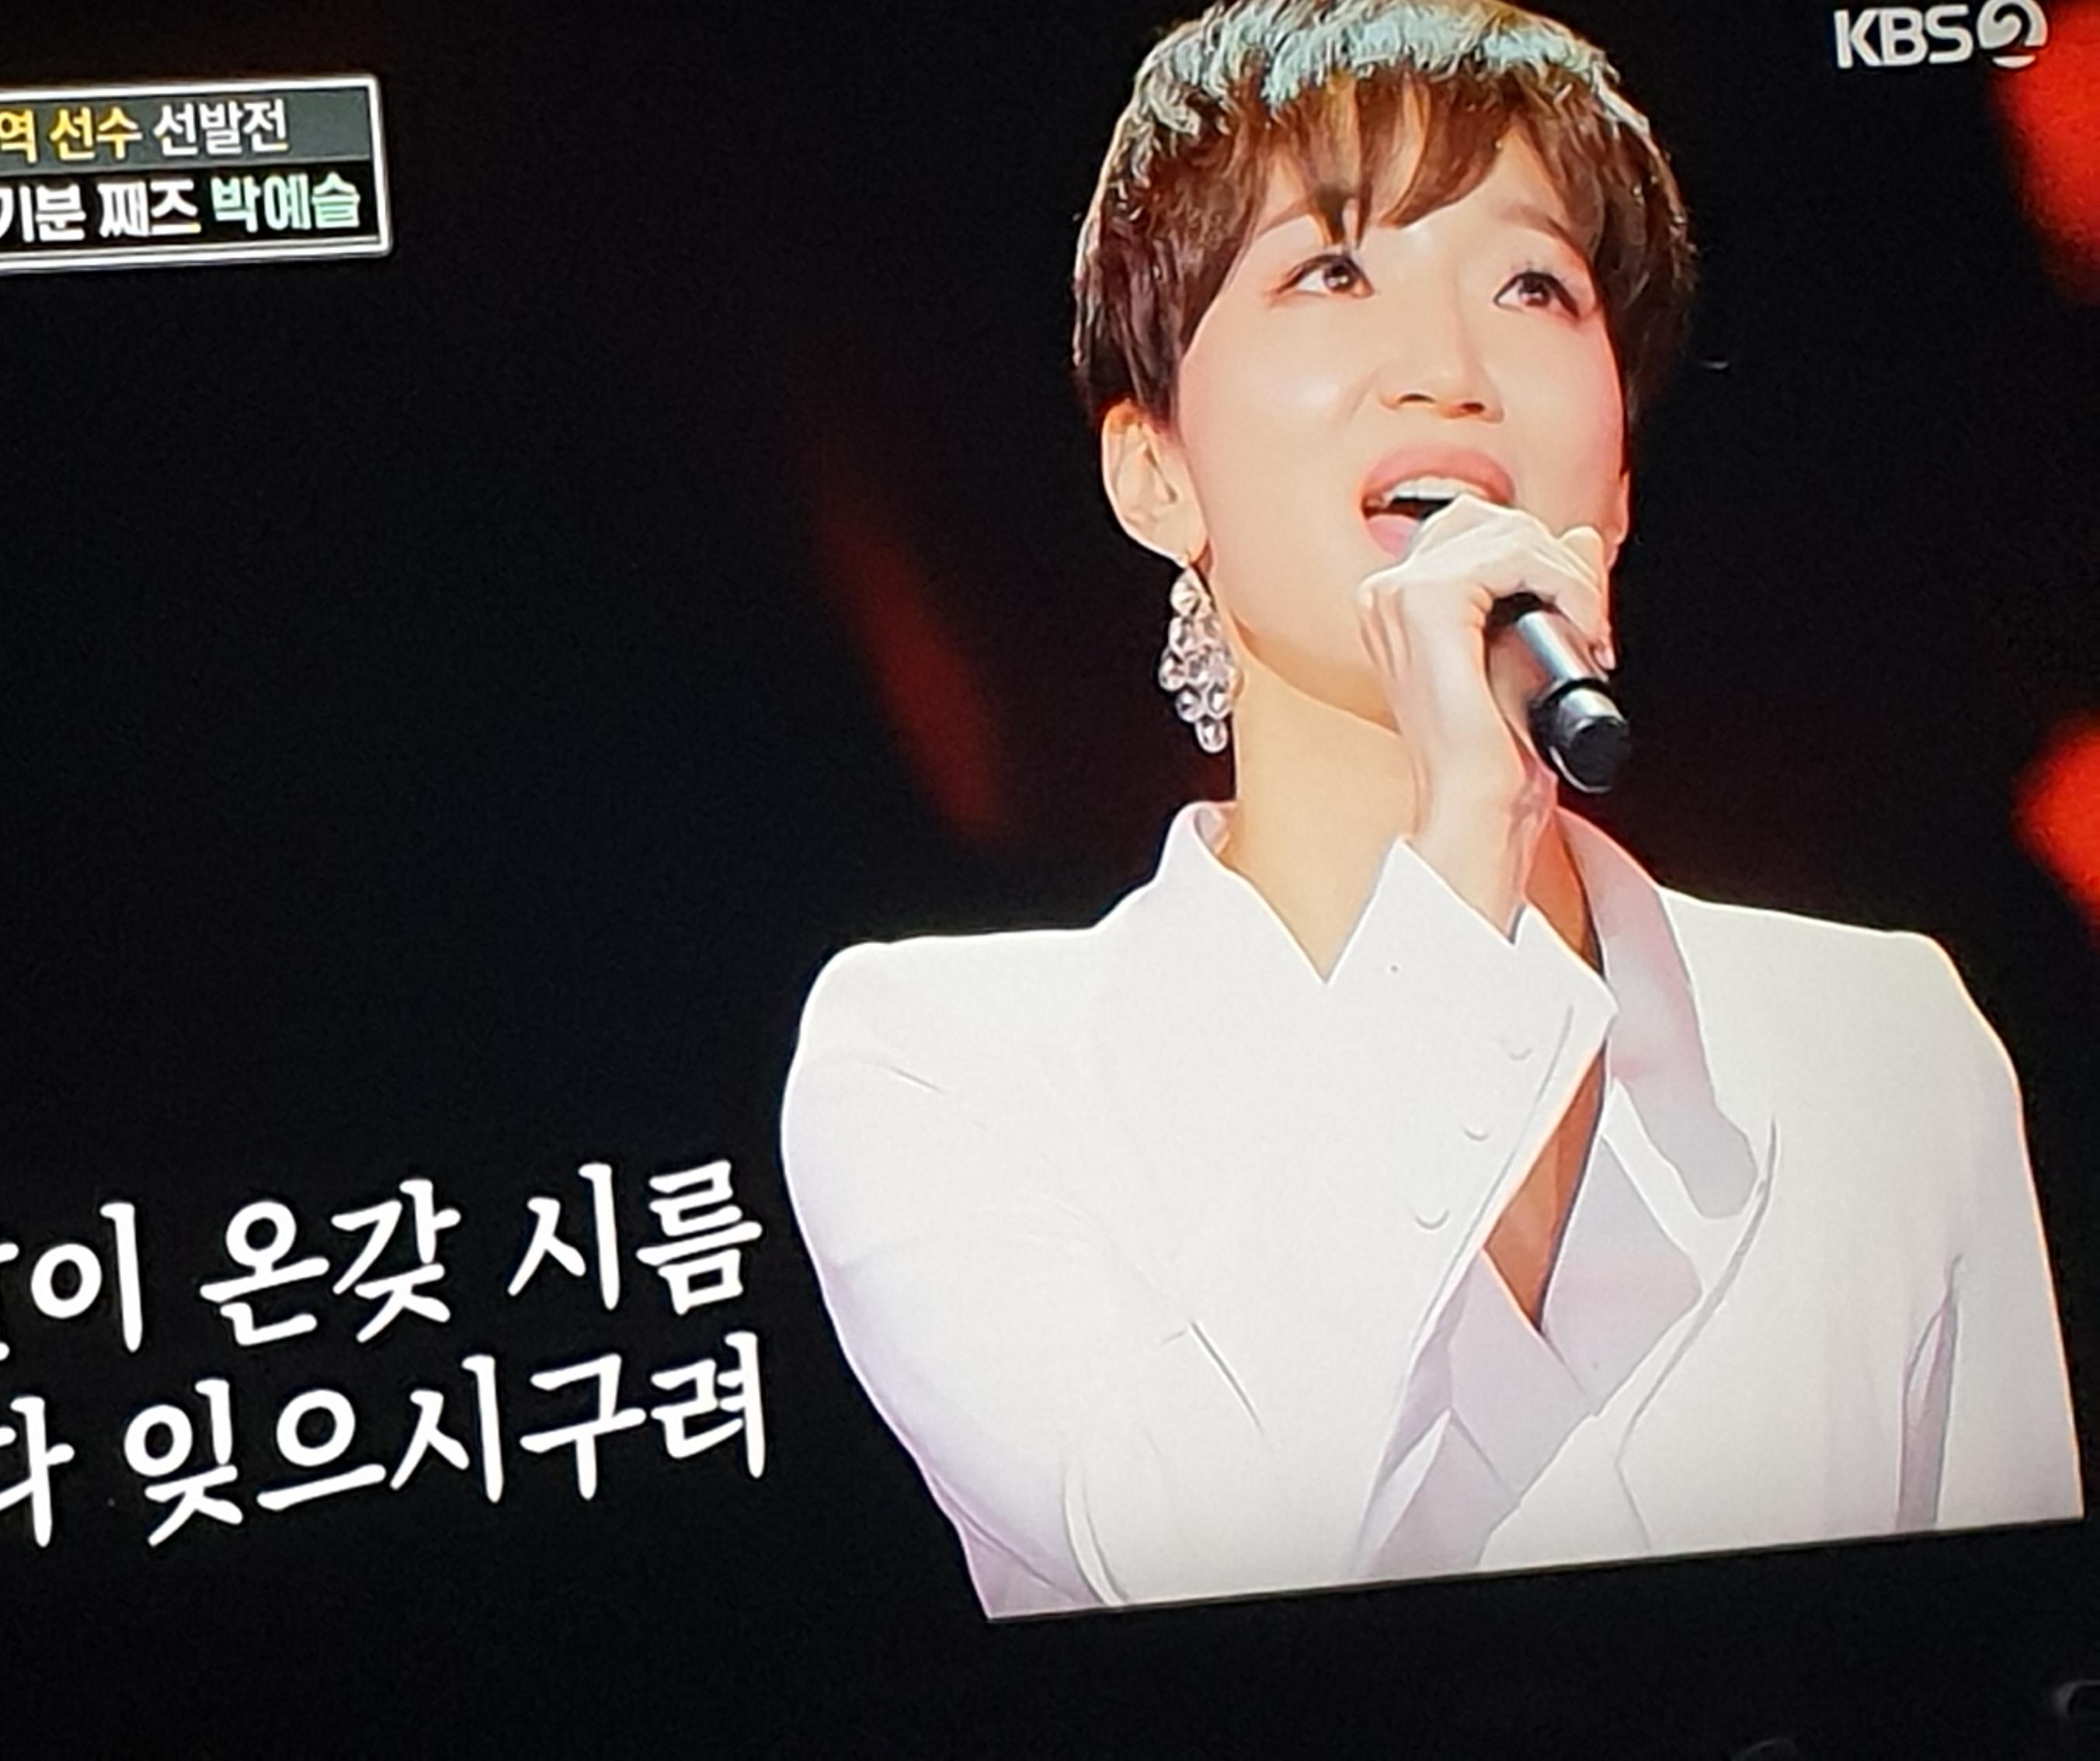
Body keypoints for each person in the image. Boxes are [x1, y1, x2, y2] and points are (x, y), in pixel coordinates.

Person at [778, 0, 2082, 1618]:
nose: (1452, 371)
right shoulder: (951, 1060)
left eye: (1533, 286)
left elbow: (2003, 1666)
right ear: (1155, 475)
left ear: (1617, 478)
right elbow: (1184, 1554)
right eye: (1332, 272)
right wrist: (1464, 840)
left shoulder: (1886, 1042)